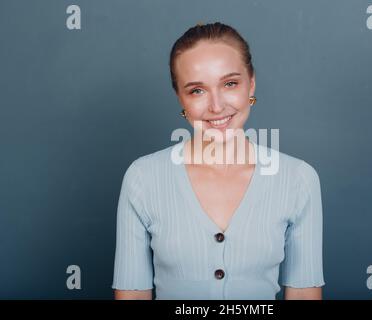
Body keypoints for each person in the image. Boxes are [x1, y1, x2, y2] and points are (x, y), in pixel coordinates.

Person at [112, 22, 325, 300]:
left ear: (251, 83)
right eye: (196, 90)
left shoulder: (298, 179)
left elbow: (304, 294)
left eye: (230, 83)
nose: (216, 106)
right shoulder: (143, 178)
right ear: (180, 97)